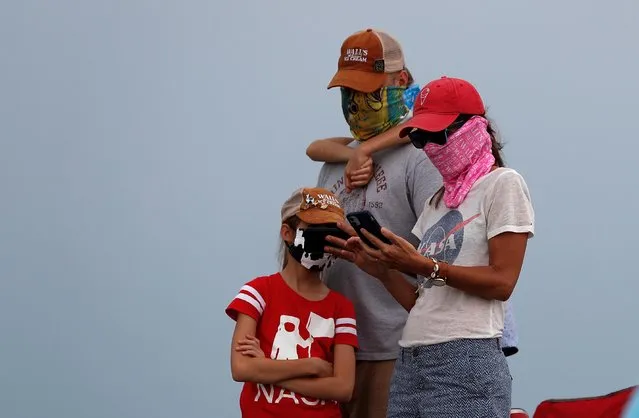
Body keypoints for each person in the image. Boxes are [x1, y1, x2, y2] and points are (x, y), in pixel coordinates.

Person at [326, 76, 535, 417]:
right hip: (411, 361)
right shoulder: (437, 202)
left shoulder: (503, 184)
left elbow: (503, 282)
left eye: (436, 134)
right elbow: (422, 301)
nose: (429, 147)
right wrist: (381, 270)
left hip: (466, 361)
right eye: (420, 138)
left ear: (473, 127)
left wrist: (426, 266)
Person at [312, 28, 442, 418]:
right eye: (347, 91)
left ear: (399, 81)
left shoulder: (422, 157)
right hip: (332, 350)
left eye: (367, 90)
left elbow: (444, 249)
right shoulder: (334, 161)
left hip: (396, 349)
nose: (355, 102)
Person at [226, 187, 359, 418]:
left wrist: (266, 367)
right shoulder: (257, 292)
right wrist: (313, 367)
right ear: (287, 233)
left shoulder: (342, 308)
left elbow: (343, 388)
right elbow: (242, 368)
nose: (324, 238)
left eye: (331, 231)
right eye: (314, 230)